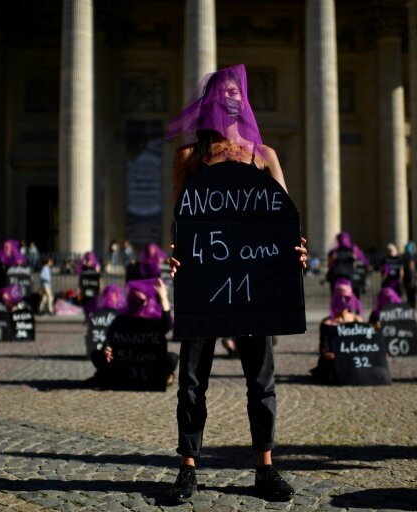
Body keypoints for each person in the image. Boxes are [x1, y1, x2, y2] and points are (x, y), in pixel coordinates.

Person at [166, 64, 308, 503]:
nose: (230, 98)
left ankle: (265, 469)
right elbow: (180, 220)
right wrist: (175, 255)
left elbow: (285, 219)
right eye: (222, 92)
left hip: (256, 280)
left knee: (261, 379)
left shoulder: (264, 155)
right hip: (205, 280)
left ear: (243, 99)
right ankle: (188, 468)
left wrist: (297, 250)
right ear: (210, 101)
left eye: (236, 92)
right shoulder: (189, 157)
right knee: (192, 380)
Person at [90, 278, 177, 387]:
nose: (136, 302)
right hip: (124, 366)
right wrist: (107, 349)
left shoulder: (152, 319)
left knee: (172, 358)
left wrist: (163, 297)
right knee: (96, 354)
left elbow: (167, 324)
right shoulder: (121, 319)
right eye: (132, 299)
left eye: (139, 300)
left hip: (147, 366)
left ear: (147, 301)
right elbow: (110, 338)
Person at [311, 279, 365, 381]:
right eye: (341, 297)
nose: (344, 301)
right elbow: (324, 346)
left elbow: (364, 344)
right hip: (333, 360)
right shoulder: (327, 323)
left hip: (352, 360)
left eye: (347, 297)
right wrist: (327, 354)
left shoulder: (357, 320)